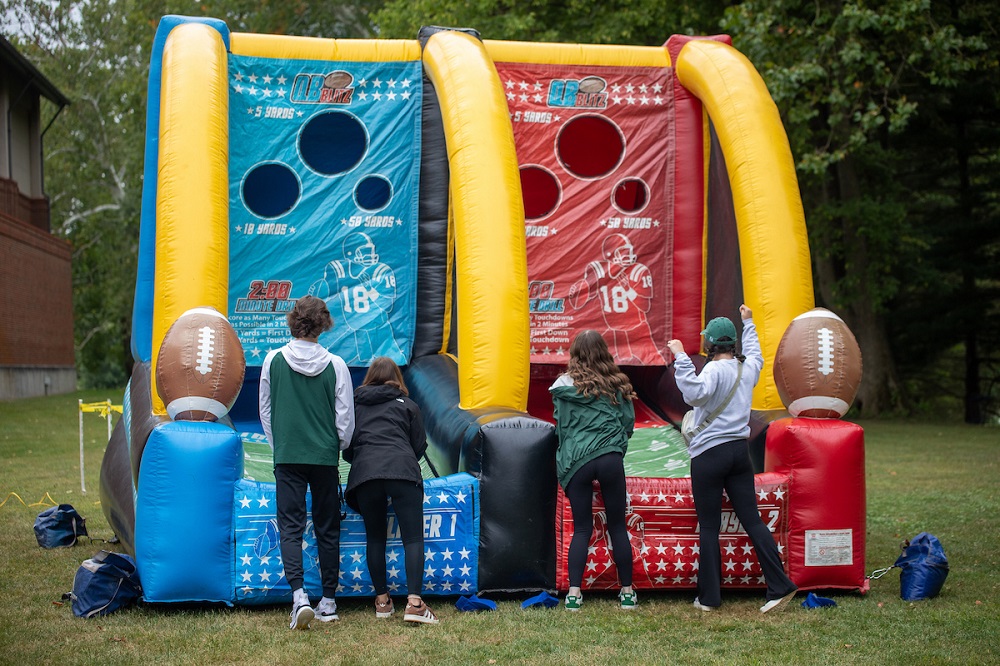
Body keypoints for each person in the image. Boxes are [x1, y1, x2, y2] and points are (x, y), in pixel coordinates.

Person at [667, 304, 798, 613]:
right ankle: (779, 585)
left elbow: (694, 394)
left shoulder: (713, 369)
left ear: (710, 345)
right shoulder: (746, 368)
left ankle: (710, 598)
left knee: (709, 526)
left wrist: (680, 356)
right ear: (733, 343)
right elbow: (756, 354)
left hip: (709, 454)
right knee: (752, 520)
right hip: (739, 453)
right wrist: (749, 322)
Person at [259, 295, 356, 629]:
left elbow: (265, 411)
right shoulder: (337, 365)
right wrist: (335, 445)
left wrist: (282, 445)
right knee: (327, 526)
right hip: (324, 457)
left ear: (293, 321)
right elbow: (345, 420)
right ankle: (328, 600)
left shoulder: (272, 360)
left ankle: (299, 595)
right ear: (324, 324)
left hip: (288, 455)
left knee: (290, 526)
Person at [344, 356, 438, 624]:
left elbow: (347, 450)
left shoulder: (355, 407)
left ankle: (383, 602)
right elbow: (419, 446)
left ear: (369, 378)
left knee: (375, 538)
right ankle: (415, 603)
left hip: (365, 475)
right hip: (403, 471)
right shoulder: (407, 405)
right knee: (413, 539)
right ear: (397, 378)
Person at [550, 329, 638, 611]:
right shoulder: (615, 383)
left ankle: (574, 593)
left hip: (578, 459)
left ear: (574, 353)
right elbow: (627, 424)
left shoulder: (563, 385)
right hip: (609, 457)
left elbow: (560, 427)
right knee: (617, 526)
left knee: (582, 528)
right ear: (603, 351)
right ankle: (627, 592)